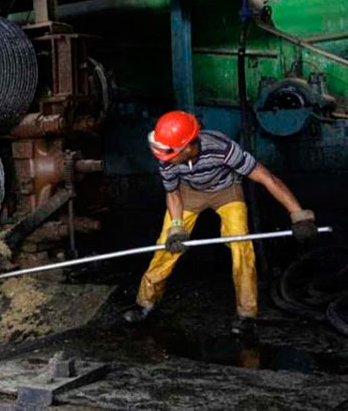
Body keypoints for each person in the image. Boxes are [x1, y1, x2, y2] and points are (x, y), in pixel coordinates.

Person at [123, 111, 317, 334]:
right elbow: (173, 193)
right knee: (166, 246)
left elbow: (265, 177)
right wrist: (177, 226)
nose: (162, 157)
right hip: (189, 194)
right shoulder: (167, 155)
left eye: (169, 153)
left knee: (241, 247)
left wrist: (298, 215)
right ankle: (145, 303)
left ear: (187, 147)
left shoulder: (223, 149)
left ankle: (246, 316)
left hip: (227, 191)